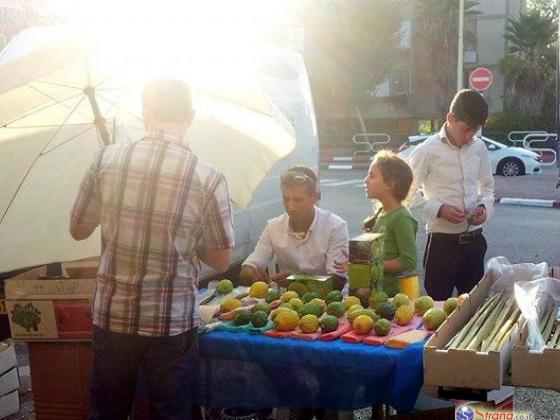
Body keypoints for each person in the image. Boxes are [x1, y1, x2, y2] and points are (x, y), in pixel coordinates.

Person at [70, 79, 235, 420]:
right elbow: (221, 259)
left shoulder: (107, 159)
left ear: (145, 112)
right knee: (171, 415)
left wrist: (115, 207)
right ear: (189, 117)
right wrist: (184, 236)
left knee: (107, 413)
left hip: (113, 315)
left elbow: (78, 229)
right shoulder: (208, 177)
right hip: (171, 322)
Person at [409, 89, 494, 301]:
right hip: (442, 245)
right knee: (437, 311)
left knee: (473, 309)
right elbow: (408, 193)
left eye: (474, 131)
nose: (469, 137)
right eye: (465, 130)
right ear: (451, 118)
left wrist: (484, 208)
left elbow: (488, 186)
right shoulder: (426, 150)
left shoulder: (479, 148)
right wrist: (438, 209)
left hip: (474, 242)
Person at [239, 165, 348, 290]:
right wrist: (250, 273)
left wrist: (297, 279)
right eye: (286, 199)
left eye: (297, 200)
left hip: (326, 302)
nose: (290, 207)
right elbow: (248, 267)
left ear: (315, 197)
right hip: (286, 302)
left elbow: (338, 281)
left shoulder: (335, 227)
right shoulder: (273, 226)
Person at [361, 150, 418, 297]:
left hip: (392, 298)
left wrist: (369, 265)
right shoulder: (382, 214)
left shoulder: (401, 218)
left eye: (372, 176)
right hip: (375, 294)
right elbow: (378, 254)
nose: (365, 180)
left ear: (390, 184)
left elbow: (408, 262)